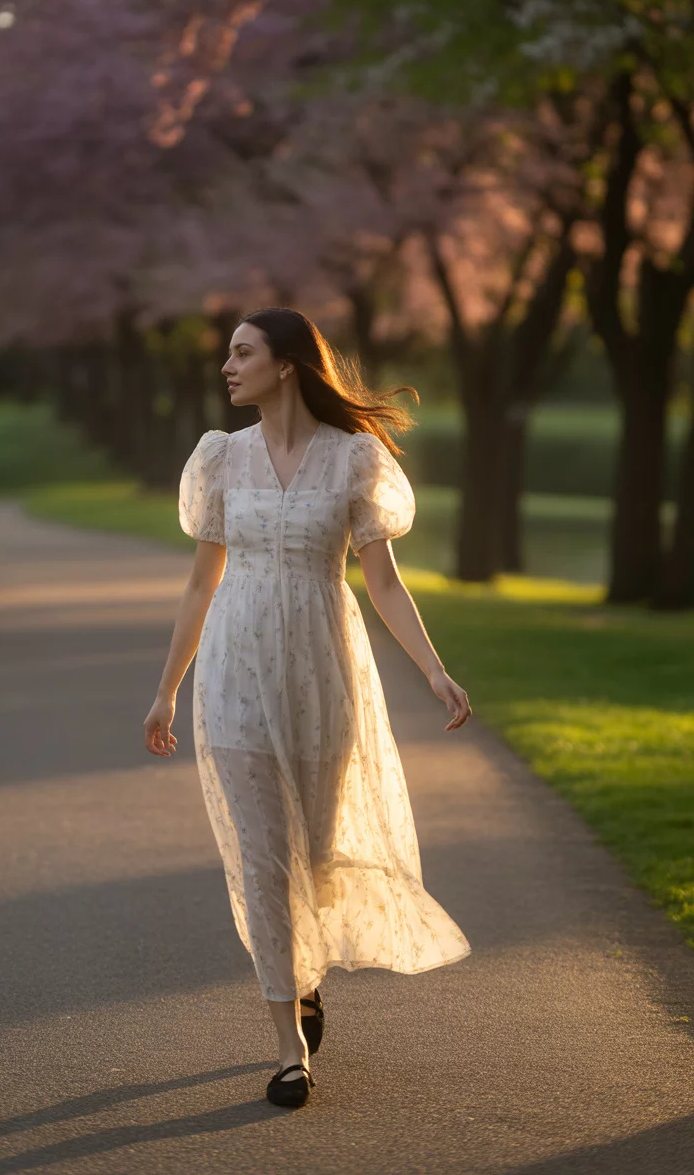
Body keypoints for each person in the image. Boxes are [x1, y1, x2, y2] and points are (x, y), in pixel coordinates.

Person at [144, 307, 472, 1109]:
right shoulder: (221, 460)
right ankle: (290, 1048)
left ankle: (306, 968)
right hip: (234, 670)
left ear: (287, 365)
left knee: (317, 855)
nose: (227, 366)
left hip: (326, 671)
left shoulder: (354, 460)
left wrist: (434, 671)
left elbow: (384, 582)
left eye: (243, 352)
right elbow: (200, 582)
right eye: (228, 353)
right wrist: (167, 687)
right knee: (263, 861)